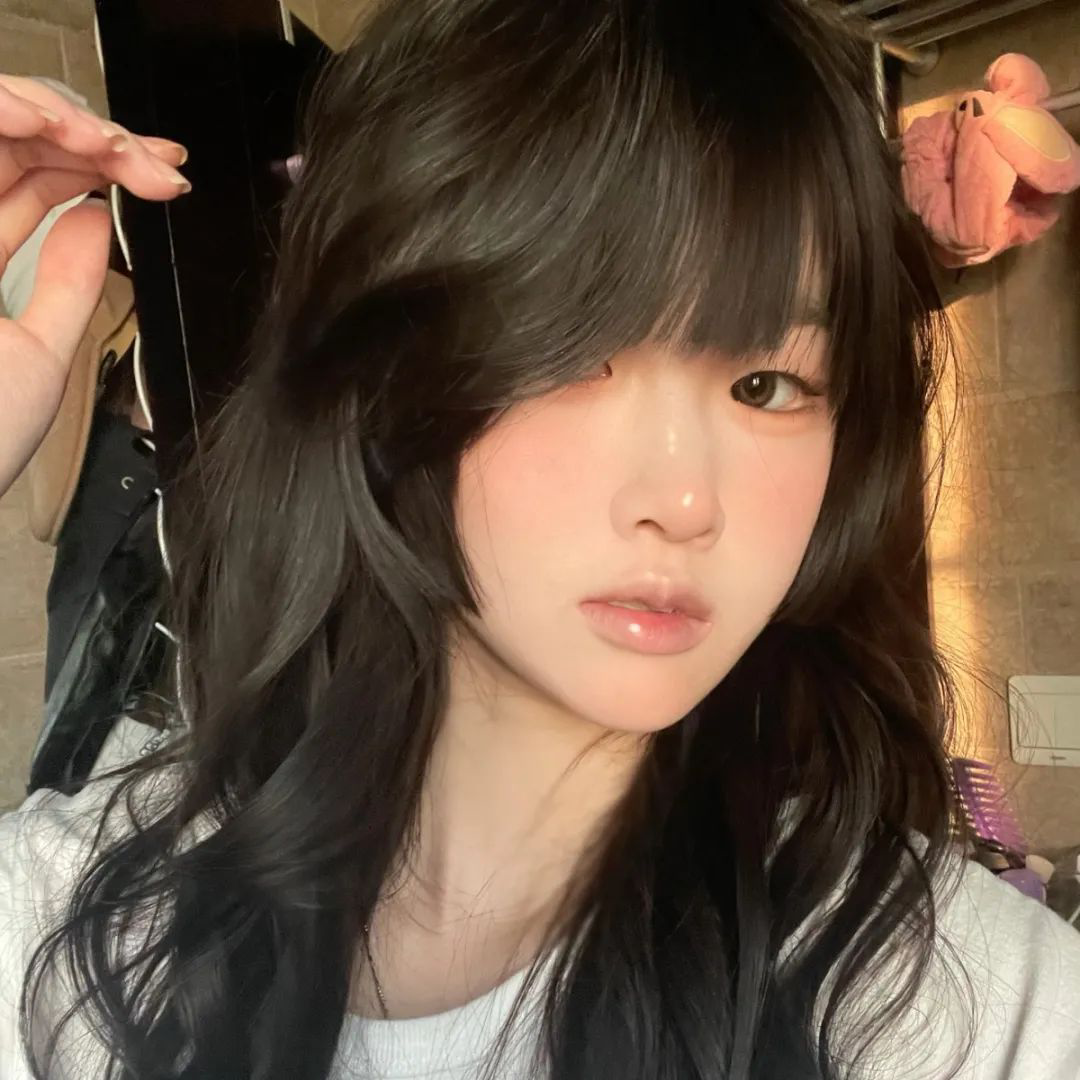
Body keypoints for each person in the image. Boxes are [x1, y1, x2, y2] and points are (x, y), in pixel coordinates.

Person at [0, 2, 1078, 1078]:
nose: (685, 501)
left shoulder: (960, 1004)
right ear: (383, 373)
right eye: (572, 357)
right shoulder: (73, 940)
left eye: (766, 384)